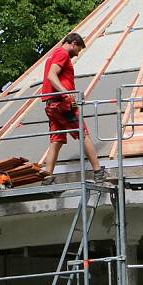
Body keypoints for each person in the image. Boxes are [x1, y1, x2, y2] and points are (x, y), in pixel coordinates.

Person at [40, 33, 109, 185]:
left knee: (56, 141)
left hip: (51, 105)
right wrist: (66, 94)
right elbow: (52, 76)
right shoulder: (62, 53)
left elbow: (53, 78)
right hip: (63, 104)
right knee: (83, 134)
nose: (77, 54)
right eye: (78, 49)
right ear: (73, 43)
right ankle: (98, 172)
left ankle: (47, 177)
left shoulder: (52, 56)